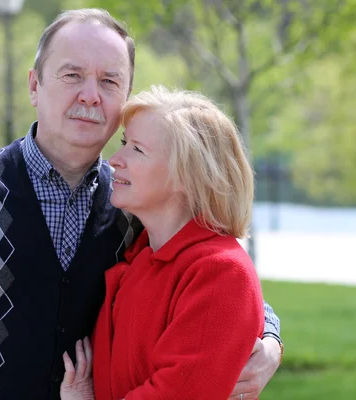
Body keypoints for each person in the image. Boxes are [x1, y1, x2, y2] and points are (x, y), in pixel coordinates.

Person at [0, 9, 283, 400]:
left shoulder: (134, 201)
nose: (90, 95)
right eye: (72, 75)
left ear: (124, 97)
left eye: (109, 81)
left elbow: (220, 285)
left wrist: (269, 341)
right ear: (34, 86)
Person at [60, 85, 271, 400]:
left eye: (137, 149)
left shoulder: (220, 272)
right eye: (123, 143)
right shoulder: (138, 255)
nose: (115, 159)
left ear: (188, 175)